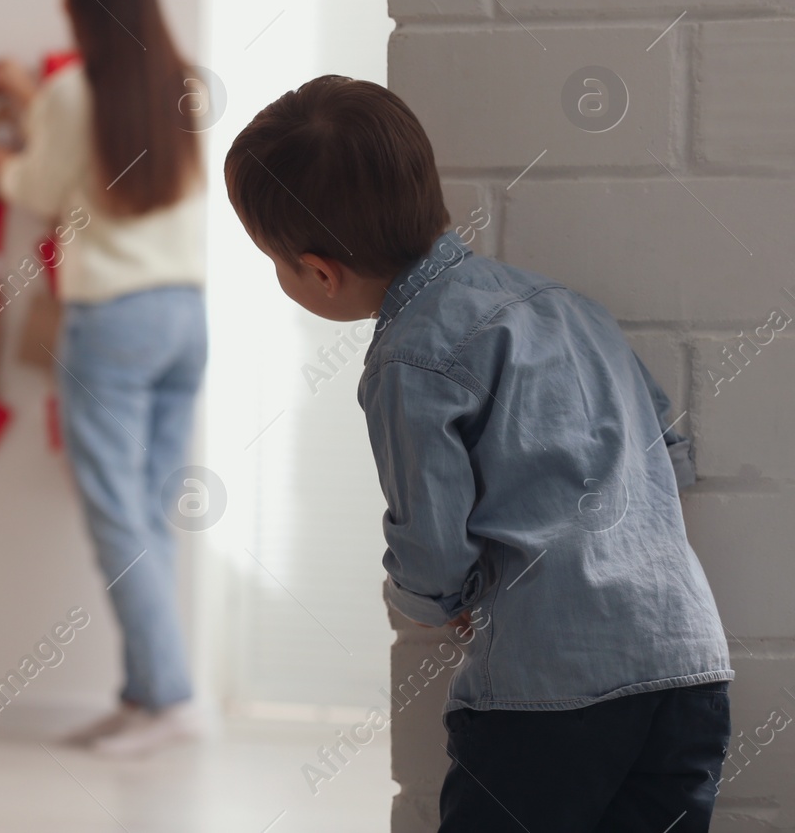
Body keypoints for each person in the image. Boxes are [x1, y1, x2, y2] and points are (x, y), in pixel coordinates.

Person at [223, 75, 733, 830]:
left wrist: (435, 602)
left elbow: (432, 546)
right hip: (688, 666)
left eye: (277, 262)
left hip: (549, 695)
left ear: (321, 271)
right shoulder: (566, 306)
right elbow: (669, 455)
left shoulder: (408, 358)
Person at [0, 0, 207, 757]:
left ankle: (171, 698)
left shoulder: (72, 93)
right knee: (146, 513)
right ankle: (146, 695)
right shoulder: (181, 83)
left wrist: (0, 162)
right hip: (185, 313)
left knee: (118, 516)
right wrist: (31, 98)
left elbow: (40, 185)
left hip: (112, 318)